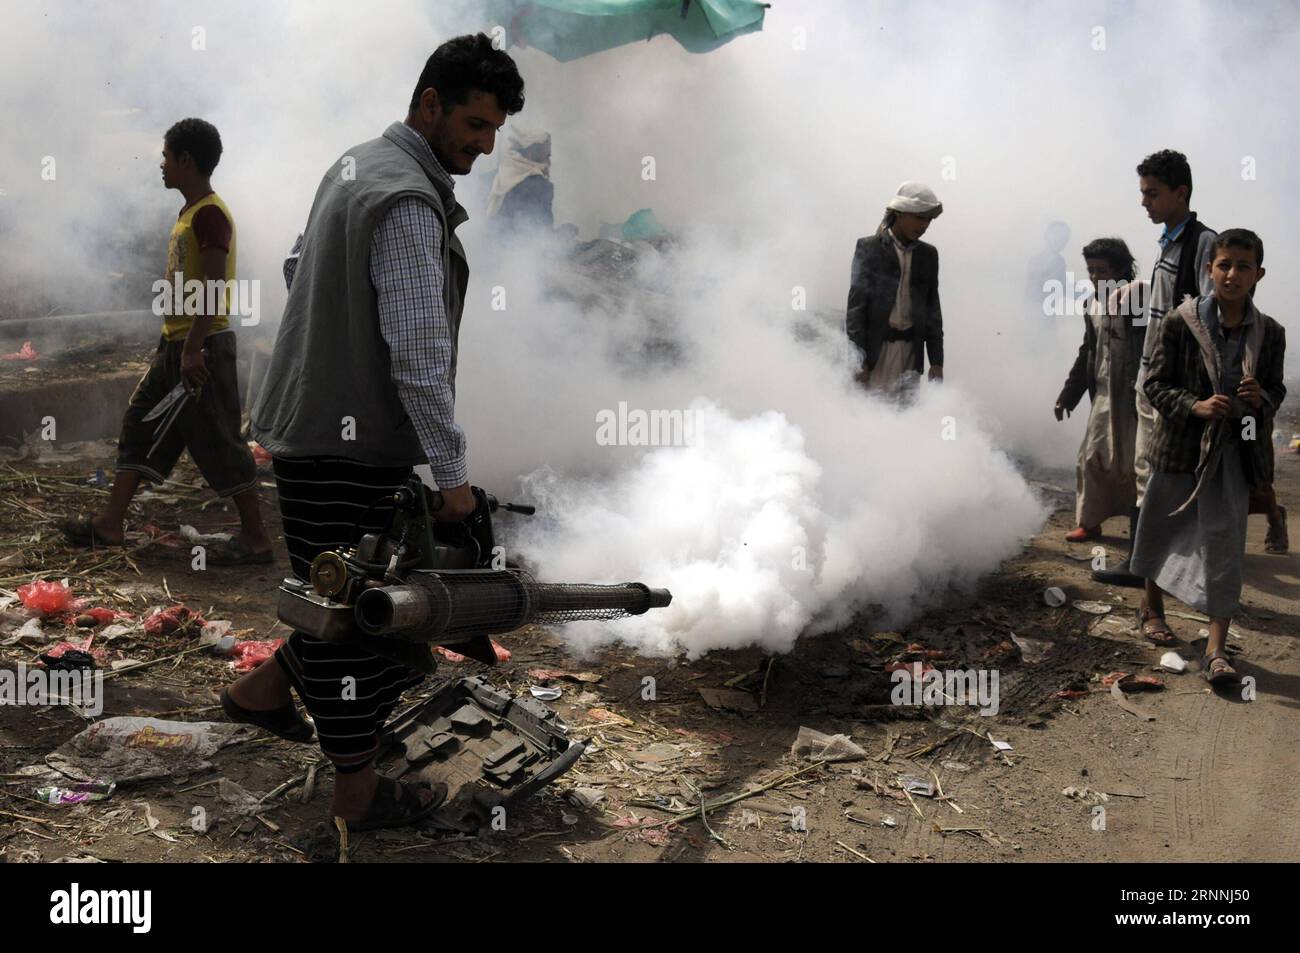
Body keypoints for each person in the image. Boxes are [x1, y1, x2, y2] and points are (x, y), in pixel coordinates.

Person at [223, 34, 525, 830]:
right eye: (474, 122)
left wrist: (334, 339)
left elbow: (298, 267)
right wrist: (454, 481)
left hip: (307, 426)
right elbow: (420, 358)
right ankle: (356, 801)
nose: (485, 143)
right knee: (373, 623)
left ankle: (258, 693)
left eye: (495, 129)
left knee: (341, 596)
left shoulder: (356, 165)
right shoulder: (408, 202)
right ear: (430, 104)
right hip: (344, 445)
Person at [62, 118, 271, 565]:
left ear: (186, 160)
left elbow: (213, 286)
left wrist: (193, 347)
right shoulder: (191, 213)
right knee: (139, 423)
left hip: (204, 347)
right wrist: (173, 345)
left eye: (166, 157)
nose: (160, 165)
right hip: (178, 347)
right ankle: (110, 524)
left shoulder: (211, 214)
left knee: (219, 443)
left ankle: (256, 539)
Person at [1130, 230, 1285, 685]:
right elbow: (1154, 384)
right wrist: (1195, 406)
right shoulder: (1181, 323)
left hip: (1234, 453)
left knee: (1224, 545)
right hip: (1180, 448)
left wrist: (1260, 398)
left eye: (1243, 266)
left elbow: (1276, 388)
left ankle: (1216, 649)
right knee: (1161, 528)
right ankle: (1152, 608)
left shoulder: (1270, 332)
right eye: (1224, 265)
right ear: (1209, 270)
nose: (1232, 274)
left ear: (1258, 274)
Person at [1094, 150, 1217, 587]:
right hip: (1152, 377)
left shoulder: (1203, 243)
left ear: (1180, 192)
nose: (1144, 202)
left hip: (1172, 384)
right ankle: (1152, 562)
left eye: (1153, 193)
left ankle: (1145, 565)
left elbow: (1207, 316)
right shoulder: (1170, 242)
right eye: (1143, 193)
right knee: (1149, 469)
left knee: (1158, 474)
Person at [1055, 239, 1145, 542]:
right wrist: (1068, 395)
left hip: (1133, 397)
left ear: (1120, 270)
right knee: (1091, 456)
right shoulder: (1092, 304)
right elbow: (1087, 353)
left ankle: (1140, 530)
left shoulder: (1138, 301)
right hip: (1104, 394)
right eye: (1090, 270)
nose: (1094, 277)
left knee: (1134, 462)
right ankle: (1089, 522)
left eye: (1101, 270)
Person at [845, 182, 944, 395]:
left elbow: (932, 311)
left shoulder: (928, 255)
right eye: (919, 217)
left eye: (928, 219)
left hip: (910, 355)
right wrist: (858, 361)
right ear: (900, 213)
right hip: (877, 355)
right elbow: (856, 312)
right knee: (871, 413)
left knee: (905, 417)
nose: (924, 225)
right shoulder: (869, 249)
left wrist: (936, 362)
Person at [485, 127, 553, 239]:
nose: (549, 161)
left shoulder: (490, 177)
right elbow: (543, 237)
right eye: (547, 156)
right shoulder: (540, 185)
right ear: (532, 153)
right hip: (521, 253)